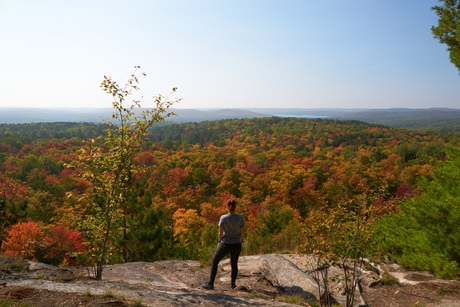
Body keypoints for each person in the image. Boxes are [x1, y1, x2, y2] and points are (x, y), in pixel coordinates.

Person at [202, 199, 245, 290]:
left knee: (215, 261)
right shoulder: (240, 217)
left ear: (227, 207)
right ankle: (233, 285)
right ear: (235, 206)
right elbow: (242, 231)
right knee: (234, 264)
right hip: (236, 244)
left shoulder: (223, 218)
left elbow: (220, 233)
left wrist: (219, 241)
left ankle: (210, 284)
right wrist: (240, 239)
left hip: (225, 243)